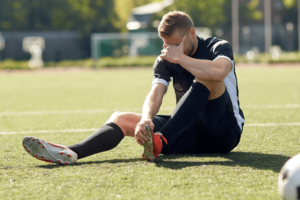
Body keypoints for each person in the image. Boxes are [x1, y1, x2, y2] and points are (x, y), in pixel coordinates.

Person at [22, 11, 245, 165]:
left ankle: (160, 139)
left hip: (223, 134)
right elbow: (156, 93)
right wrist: (146, 119)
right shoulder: (165, 58)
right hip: (187, 132)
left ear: (192, 34)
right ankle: (71, 152)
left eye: (175, 44)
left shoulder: (217, 46)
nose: (169, 50)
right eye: (165, 45)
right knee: (121, 117)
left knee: (207, 77)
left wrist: (180, 58)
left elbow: (219, 72)